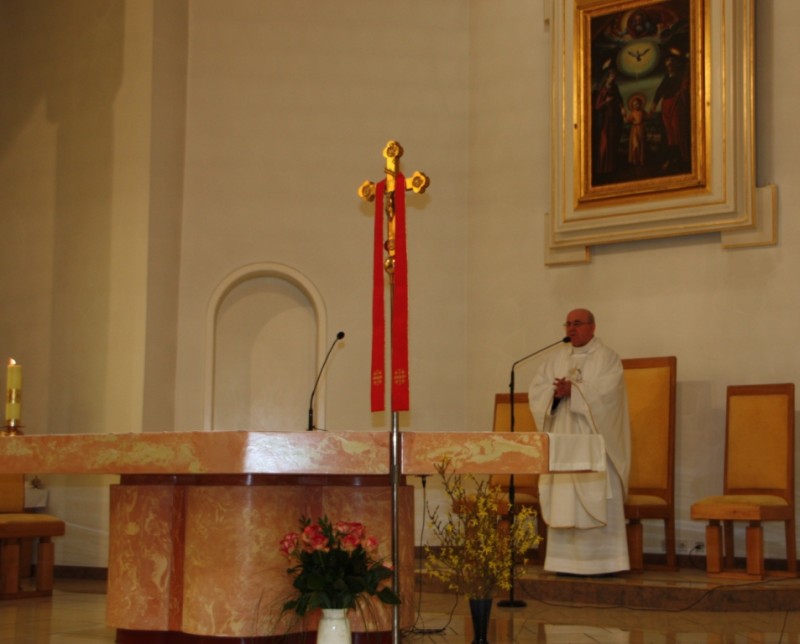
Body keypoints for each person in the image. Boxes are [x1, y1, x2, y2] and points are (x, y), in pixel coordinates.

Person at [528, 309, 631, 576]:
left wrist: (574, 391)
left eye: (577, 324)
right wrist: (555, 394)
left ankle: (605, 563)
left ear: (592, 327)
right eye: (568, 324)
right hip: (563, 439)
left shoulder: (607, 358)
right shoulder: (555, 359)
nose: (571, 329)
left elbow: (609, 395)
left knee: (596, 492)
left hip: (594, 441)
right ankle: (563, 563)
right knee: (564, 498)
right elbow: (538, 390)